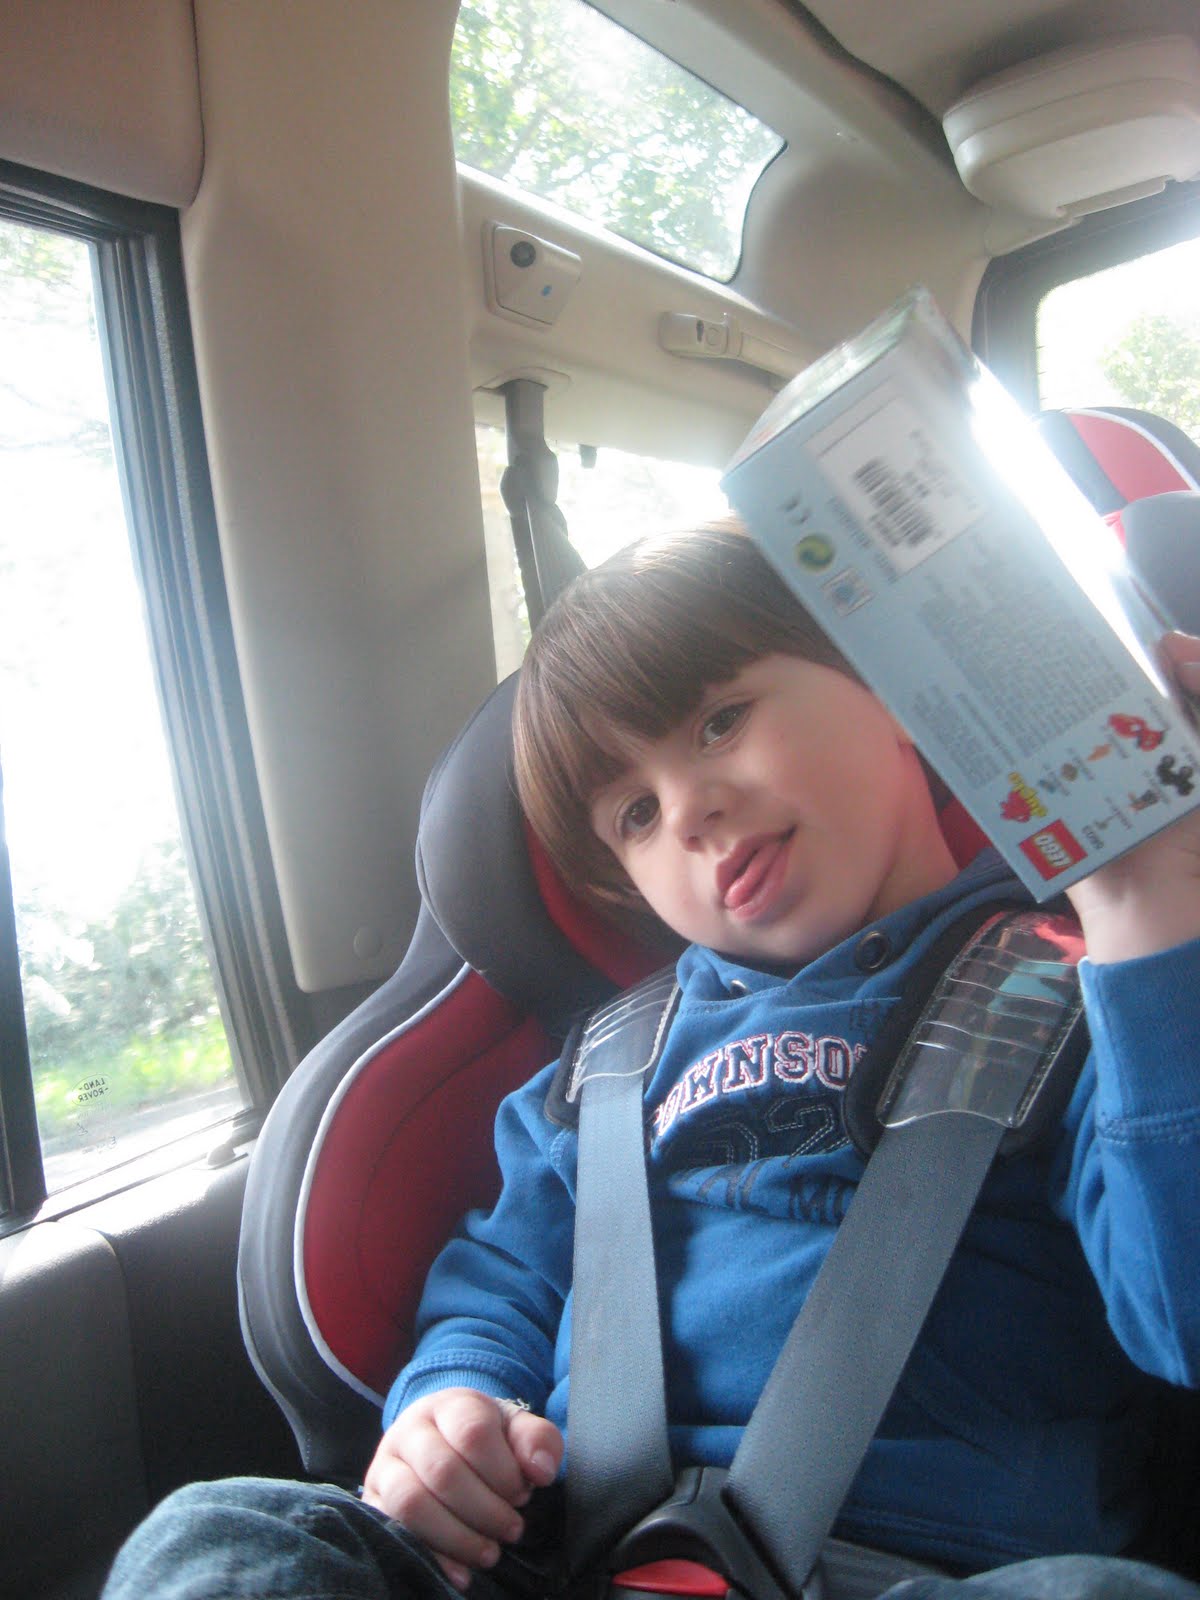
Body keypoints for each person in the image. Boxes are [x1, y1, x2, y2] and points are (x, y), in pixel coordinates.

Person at [103, 522, 1200, 1600]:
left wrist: (1148, 906)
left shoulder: (1086, 998)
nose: (690, 810)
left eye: (721, 720)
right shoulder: (606, 1070)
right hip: (573, 1553)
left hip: (925, 1564)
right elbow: (503, 1283)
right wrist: (453, 1402)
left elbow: (1179, 1312)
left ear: (893, 687)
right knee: (224, 1531)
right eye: (634, 812)